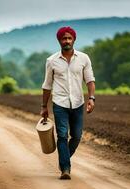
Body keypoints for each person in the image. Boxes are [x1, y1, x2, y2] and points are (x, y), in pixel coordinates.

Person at [40, 26, 95, 180]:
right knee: (62, 136)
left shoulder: (84, 58)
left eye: (69, 38)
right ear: (59, 41)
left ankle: (64, 159)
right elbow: (47, 85)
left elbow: (90, 80)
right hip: (60, 104)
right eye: (64, 38)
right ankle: (65, 168)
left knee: (76, 136)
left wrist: (91, 98)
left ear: (74, 40)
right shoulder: (51, 61)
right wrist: (44, 106)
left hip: (78, 103)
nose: (67, 41)